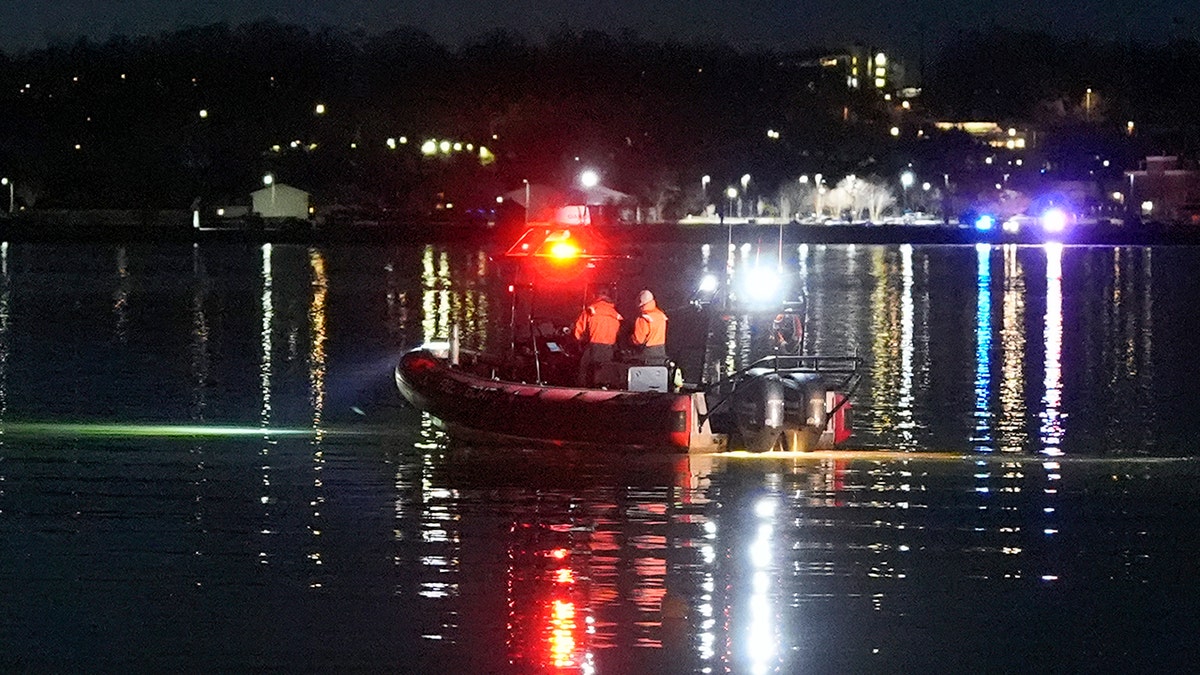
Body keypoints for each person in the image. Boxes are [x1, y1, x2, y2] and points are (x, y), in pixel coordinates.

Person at [572, 289, 622, 386]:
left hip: (594, 347)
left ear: (596, 297)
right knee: (604, 373)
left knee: (584, 369)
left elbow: (579, 330)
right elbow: (619, 332)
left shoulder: (591, 310)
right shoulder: (615, 314)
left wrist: (579, 340)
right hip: (609, 349)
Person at [630, 289, 668, 365]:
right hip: (661, 352)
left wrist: (631, 339)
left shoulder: (643, 318)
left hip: (648, 354)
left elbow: (639, 340)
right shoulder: (661, 315)